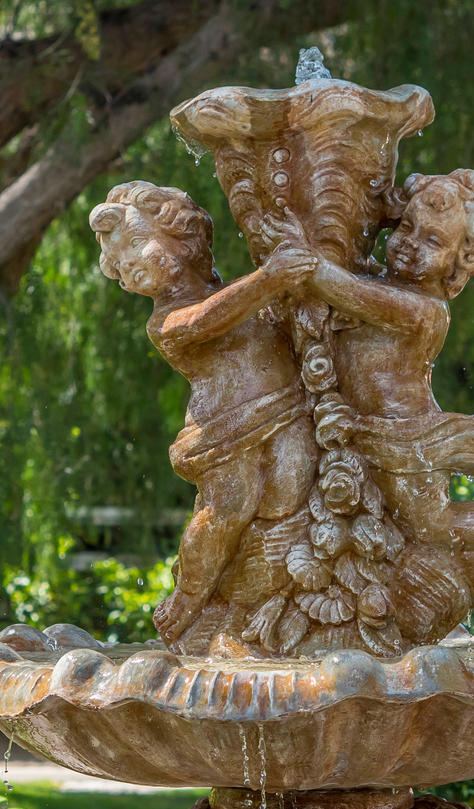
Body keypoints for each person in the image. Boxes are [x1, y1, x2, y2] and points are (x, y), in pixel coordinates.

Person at [302, 169, 474, 593]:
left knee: (432, 525)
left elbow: (341, 288)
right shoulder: (383, 282)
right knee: (413, 525)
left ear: (461, 262)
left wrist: (296, 257)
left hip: (405, 437)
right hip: (366, 428)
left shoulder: (421, 309)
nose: (409, 245)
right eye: (406, 227)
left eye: (433, 241)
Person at [89, 182, 319, 644]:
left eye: (136, 244)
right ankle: (191, 596)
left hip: (287, 410)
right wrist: (270, 278)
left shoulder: (242, 292)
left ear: (184, 235)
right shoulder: (166, 322)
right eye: (119, 262)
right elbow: (207, 319)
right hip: (225, 428)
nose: (128, 262)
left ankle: (264, 597)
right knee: (228, 507)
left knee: (290, 494)